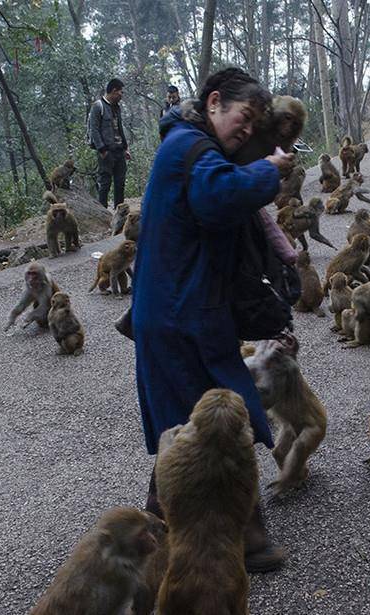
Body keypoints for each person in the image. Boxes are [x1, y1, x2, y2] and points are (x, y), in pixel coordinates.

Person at [132, 67, 295, 573]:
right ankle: (233, 534)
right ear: (215, 102)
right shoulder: (191, 149)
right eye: (241, 119)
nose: (243, 132)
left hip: (181, 310)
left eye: (252, 127)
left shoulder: (194, 145)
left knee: (191, 423)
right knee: (224, 419)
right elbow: (217, 197)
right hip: (180, 315)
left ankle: (158, 531)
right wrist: (270, 170)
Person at [86, 78, 130, 208]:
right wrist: (102, 150)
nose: (122, 95)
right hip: (106, 151)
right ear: (114, 91)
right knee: (105, 183)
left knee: (120, 182)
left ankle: (119, 212)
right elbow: (94, 130)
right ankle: (103, 213)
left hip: (119, 150)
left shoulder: (117, 108)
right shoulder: (97, 106)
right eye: (121, 92)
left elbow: (120, 128)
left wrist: (126, 147)